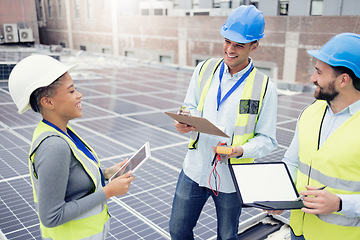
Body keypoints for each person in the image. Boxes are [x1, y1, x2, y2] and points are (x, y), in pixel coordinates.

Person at [169, 5, 278, 240]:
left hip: (231, 177)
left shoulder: (264, 87)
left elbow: (268, 140)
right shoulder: (204, 69)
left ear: (254, 45)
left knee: (227, 237)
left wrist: (240, 150)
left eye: (239, 45)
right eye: (227, 41)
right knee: (178, 231)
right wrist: (184, 121)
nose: (230, 49)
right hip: (194, 169)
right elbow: (189, 105)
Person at [8, 54, 135, 240]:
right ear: (48, 102)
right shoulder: (54, 146)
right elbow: (52, 217)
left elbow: (73, 176)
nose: (79, 94)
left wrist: (107, 173)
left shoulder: (62, 131)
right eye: (71, 91)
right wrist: (109, 191)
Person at [275, 33, 360, 240]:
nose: (313, 78)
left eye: (319, 72)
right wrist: (279, 196)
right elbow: (292, 161)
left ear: (343, 80)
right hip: (300, 230)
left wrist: (340, 203)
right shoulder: (310, 112)